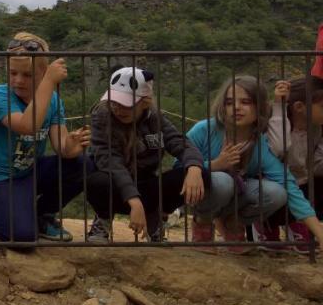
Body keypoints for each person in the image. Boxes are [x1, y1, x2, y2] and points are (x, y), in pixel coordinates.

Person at [0, 32, 90, 242]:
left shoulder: (52, 100)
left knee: (83, 164)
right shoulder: (1, 96)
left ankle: (43, 215)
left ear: (43, 71)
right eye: (12, 73)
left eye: (27, 75)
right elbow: (28, 126)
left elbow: (61, 146)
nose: (18, 80)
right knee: (22, 237)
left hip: (28, 171)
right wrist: (48, 82)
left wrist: (70, 146)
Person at [187, 75, 323, 253]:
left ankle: (234, 223)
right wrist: (213, 165)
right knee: (222, 181)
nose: (236, 107)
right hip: (200, 193)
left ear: (260, 107)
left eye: (246, 102)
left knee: (277, 192)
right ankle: (202, 226)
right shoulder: (204, 129)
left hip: (238, 194)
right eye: (229, 102)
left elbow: (288, 184)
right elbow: (178, 166)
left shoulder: (259, 142)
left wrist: (319, 233)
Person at [83, 67, 209, 243]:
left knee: (202, 174)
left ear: (145, 101)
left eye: (126, 104)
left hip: (146, 183)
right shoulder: (102, 118)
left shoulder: (155, 119)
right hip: (115, 184)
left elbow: (180, 143)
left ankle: (155, 217)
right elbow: (111, 163)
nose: (118, 109)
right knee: (96, 181)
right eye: (114, 102)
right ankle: (103, 220)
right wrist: (134, 201)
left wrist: (195, 168)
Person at [267, 76, 323, 250]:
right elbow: (278, 147)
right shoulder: (276, 126)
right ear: (299, 107)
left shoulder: (316, 129)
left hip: (302, 183)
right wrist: (279, 107)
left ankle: (298, 222)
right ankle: (264, 225)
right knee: (276, 192)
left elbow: (316, 163)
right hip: (273, 184)